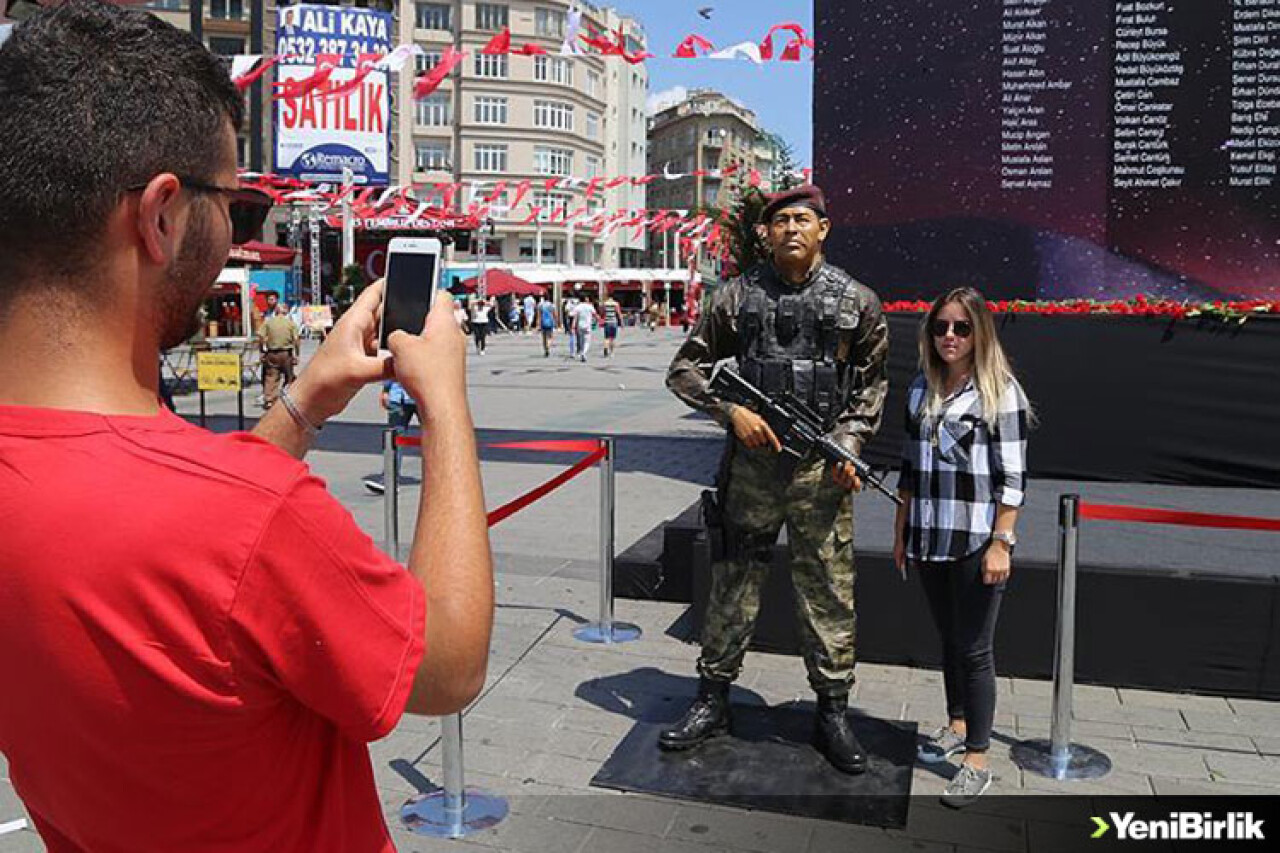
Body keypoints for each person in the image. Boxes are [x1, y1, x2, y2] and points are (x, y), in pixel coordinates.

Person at [0, 5, 493, 851]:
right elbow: (446, 665)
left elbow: (163, 536)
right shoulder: (255, 514)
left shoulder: (210, 511)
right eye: (237, 203)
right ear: (161, 215)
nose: (238, 232)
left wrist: (306, 398)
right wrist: (445, 402)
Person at [663, 185, 889, 774]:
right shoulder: (736, 297)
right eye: (780, 220)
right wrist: (731, 413)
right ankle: (712, 697)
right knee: (734, 582)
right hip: (753, 470)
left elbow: (872, 385)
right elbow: (684, 369)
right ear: (765, 233)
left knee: (828, 590)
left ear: (824, 228)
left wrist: (850, 440)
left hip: (820, 470)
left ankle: (833, 711)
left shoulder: (857, 300)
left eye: (802, 219)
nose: (791, 228)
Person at [894, 287, 1030, 808]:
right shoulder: (919, 389)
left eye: (961, 328)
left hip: (975, 539)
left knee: (974, 650)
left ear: (980, 334)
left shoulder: (1000, 393)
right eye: (941, 327)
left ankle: (977, 757)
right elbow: (909, 468)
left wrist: (1002, 542)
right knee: (950, 638)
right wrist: (901, 529)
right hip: (930, 535)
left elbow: (1013, 479)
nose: (950, 336)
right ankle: (956, 722)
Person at [362, 378, 419, 495]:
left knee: (435, 437)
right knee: (394, 440)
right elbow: (391, 363)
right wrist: (386, 389)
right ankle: (389, 481)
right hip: (398, 397)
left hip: (425, 395)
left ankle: (445, 479)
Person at [257, 291, 299, 409]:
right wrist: (297, 354)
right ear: (285, 312)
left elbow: (260, 336)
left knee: (271, 377)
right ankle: (289, 398)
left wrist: (262, 350)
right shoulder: (290, 323)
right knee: (289, 376)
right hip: (286, 353)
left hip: (272, 353)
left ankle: (269, 399)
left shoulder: (268, 322)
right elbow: (296, 339)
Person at [572, 295, 600, 363]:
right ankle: (584, 353)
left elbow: (575, 317)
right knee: (587, 341)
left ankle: (581, 352)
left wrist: (573, 326)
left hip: (580, 326)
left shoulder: (578, 307)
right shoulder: (590, 306)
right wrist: (598, 320)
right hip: (587, 326)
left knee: (581, 341)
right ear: (586, 300)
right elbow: (595, 315)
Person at [601, 291, 622, 357]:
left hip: (607, 322)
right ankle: (612, 353)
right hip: (613, 322)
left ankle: (606, 347)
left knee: (606, 337)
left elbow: (602, 312)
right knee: (612, 338)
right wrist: (621, 322)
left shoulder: (605, 304)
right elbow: (618, 313)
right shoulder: (616, 304)